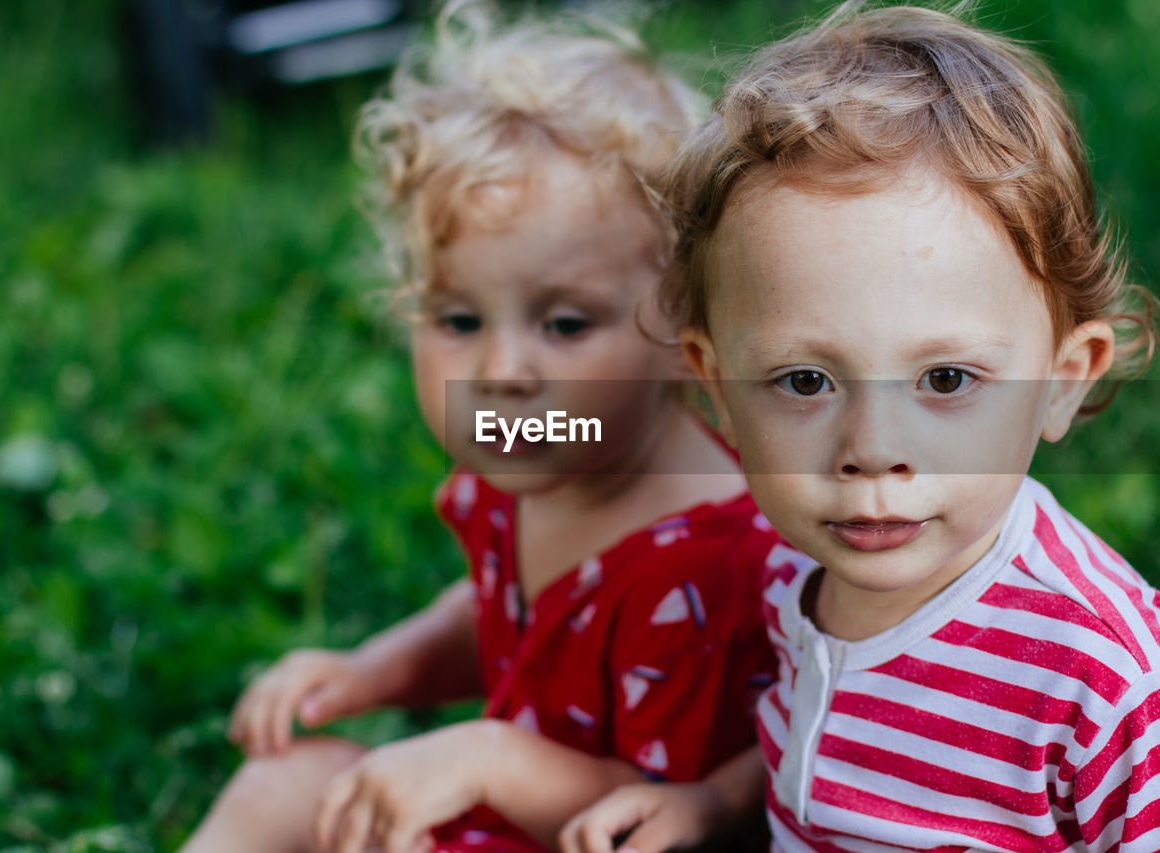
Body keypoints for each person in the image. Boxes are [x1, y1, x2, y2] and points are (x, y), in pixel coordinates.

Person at [560, 4, 1160, 851]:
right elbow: (831, 740)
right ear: (717, 384)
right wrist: (715, 805)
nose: (872, 451)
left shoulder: (1106, 680)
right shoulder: (799, 552)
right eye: (804, 380)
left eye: (945, 379)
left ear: (1061, 381)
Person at [179, 2, 784, 851]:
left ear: (690, 338)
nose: (501, 371)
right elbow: (499, 613)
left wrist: (490, 758)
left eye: (566, 324)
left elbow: (675, 813)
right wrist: (370, 672)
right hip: (511, 816)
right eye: (459, 320)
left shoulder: (703, 564)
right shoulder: (536, 457)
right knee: (289, 778)